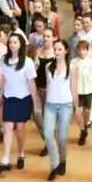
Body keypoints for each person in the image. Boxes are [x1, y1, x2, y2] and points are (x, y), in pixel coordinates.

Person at [0, 34, 41, 176]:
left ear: (20, 45)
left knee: (20, 128)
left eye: (15, 42)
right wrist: (0, 96)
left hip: (23, 98)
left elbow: (31, 84)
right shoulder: (4, 60)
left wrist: (36, 102)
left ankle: (21, 153)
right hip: (9, 98)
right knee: (7, 126)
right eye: (10, 42)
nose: (12, 44)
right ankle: (6, 158)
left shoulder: (28, 62)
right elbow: (2, 81)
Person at [44, 39, 78, 181]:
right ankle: (54, 164)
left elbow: (74, 89)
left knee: (62, 137)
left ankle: (62, 160)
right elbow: (48, 87)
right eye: (55, 49)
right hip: (50, 105)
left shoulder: (72, 67)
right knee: (47, 134)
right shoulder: (48, 67)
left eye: (59, 49)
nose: (57, 52)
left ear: (66, 51)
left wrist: (77, 108)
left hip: (66, 105)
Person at [32, 26, 56, 157]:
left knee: (49, 119)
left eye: (48, 36)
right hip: (38, 88)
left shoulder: (56, 53)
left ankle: (50, 143)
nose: (46, 38)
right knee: (37, 115)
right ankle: (48, 140)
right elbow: (34, 70)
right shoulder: (38, 51)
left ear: (53, 38)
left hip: (51, 91)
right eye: (44, 36)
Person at [70, 40, 92, 146]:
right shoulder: (73, 62)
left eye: (84, 49)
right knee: (78, 112)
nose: (81, 52)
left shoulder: (91, 61)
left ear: (87, 50)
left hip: (88, 90)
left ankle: (85, 126)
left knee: (86, 111)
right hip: (77, 90)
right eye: (80, 49)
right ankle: (82, 130)